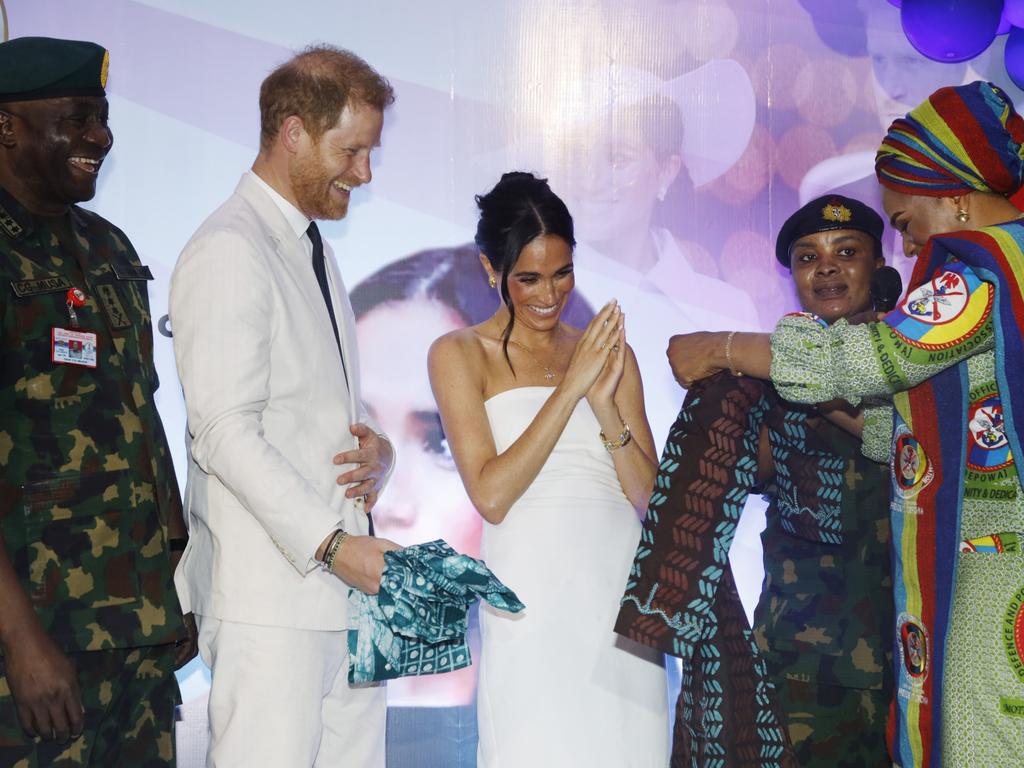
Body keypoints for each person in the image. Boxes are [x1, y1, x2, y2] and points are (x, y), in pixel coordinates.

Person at [667, 82, 1024, 768]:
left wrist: (724, 346)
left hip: (995, 569)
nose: (910, 238)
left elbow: (876, 357)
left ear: (953, 194)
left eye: (905, 219)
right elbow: (928, 433)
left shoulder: (981, 272)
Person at [169, 46, 400, 767]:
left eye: (370, 153)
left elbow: (302, 408)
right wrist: (334, 545)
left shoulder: (309, 246)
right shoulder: (229, 248)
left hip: (342, 605)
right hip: (271, 604)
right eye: (352, 150)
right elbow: (224, 433)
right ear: (293, 132)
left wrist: (379, 451)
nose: (364, 172)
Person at [618, 194, 894, 767]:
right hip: (799, 661)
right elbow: (685, 499)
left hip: (912, 650)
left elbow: (893, 433)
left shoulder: (918, 357)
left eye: (847, 252)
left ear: (879, 265)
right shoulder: (759, 384)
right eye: (807, 258)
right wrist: (612, 420)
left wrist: (744, 354)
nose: (826, 269)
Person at [428, 171, 669, 766]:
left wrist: (606, 403)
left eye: (562, 274)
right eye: (528, 278)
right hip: (530, 603)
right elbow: (491, 495)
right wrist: (572, 391)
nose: (548, 293)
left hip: (619, 601)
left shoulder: (610, 355)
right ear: (491, 270)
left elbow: (651, 500)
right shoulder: (459, 354)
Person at [0, 36, 194, 766]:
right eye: (77, 117)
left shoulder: (109, 248)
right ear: (6, 125)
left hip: (137, 634)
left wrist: (175, 583)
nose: (100, 137)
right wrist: (21, 641)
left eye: (103, 118)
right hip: (36, 646)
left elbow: (141, 422)